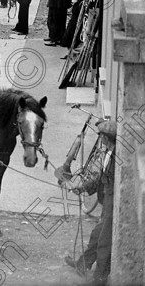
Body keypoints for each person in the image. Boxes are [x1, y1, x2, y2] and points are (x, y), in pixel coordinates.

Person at [63, 121, 116, 286]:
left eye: (101, 135)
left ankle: (100, 278)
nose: (99, 138)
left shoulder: (114, 156)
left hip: (112, 203)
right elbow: (100, 178)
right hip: (107, 199)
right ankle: (82, 265)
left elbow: (108, 180)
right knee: (96, 236)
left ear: (106, 138)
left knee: (104, 241)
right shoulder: (108, 152)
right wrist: (82, 187)